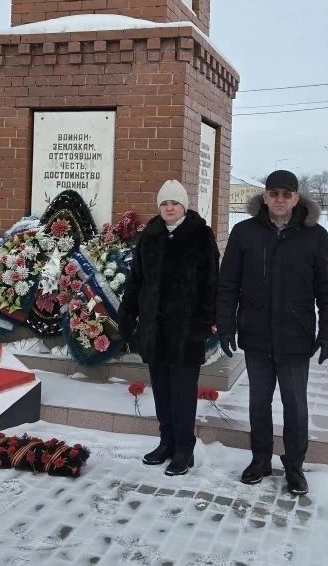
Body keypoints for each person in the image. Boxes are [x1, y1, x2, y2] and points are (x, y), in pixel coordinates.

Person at [216, 169, 328, 495]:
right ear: (265, 196)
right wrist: (226, 324)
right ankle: (259, 460)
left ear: (297, 198)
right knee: (258, 403)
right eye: (274, 193)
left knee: (295, 406)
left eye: (287, 194)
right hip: (257, 335)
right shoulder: (244, 233)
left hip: (295, 338)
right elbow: (228, 284)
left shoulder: (315, 235)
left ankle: (294, 466)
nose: (280, 199)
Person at [117, 179, 219, 476]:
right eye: (164, 203)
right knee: (161, 390)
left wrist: (205, 322)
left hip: (187, 332)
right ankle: (167, 442)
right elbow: (136, 280)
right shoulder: (150, 235)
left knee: (183, 392)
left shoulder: (201, 236)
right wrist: (129, 314)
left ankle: (184, 450)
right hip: (155, 329)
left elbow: (212, 281)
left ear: (184, 206)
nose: (169, 208)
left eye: (174, 203)